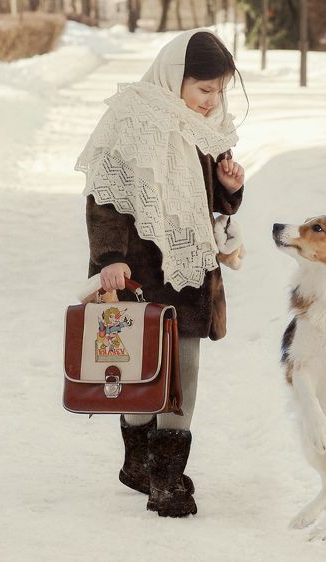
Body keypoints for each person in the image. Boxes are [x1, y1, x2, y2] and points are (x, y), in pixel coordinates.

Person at [74, 28, 246, 518]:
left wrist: (229, 187)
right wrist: (109, 258)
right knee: (138, 367)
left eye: (219, 91)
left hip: (190, 273)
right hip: (140, 271)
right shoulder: (131, 119)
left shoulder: (206, 128)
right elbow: (106, 196)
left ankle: (166, 478)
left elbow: (207, 202)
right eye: (204, 89)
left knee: (184, 370)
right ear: (175, 77)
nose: (211, 101)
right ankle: (138, 462)